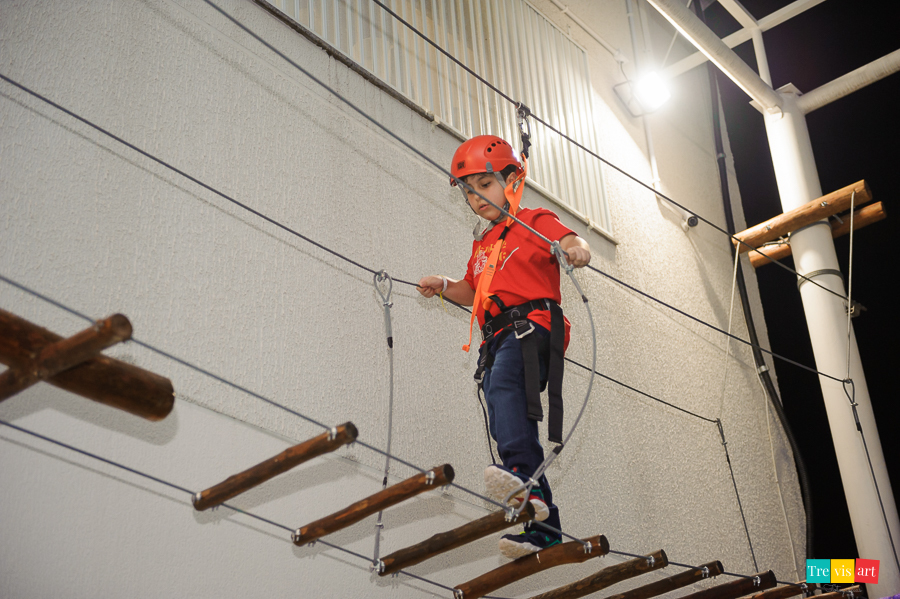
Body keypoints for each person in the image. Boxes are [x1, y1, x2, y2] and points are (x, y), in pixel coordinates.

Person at [417, 135, 591, 558]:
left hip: (532, 325)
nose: (477, 198)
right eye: (468, 191)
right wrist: (444, 287)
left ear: (512, 180)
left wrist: (575, 250)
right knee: (501, 410)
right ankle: (543, 522)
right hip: (499, 336)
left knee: (505, 390)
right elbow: (471, 290)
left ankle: (520, 477)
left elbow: (570, 241)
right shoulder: (483, 246)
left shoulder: (533, 221)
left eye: (485, 184)